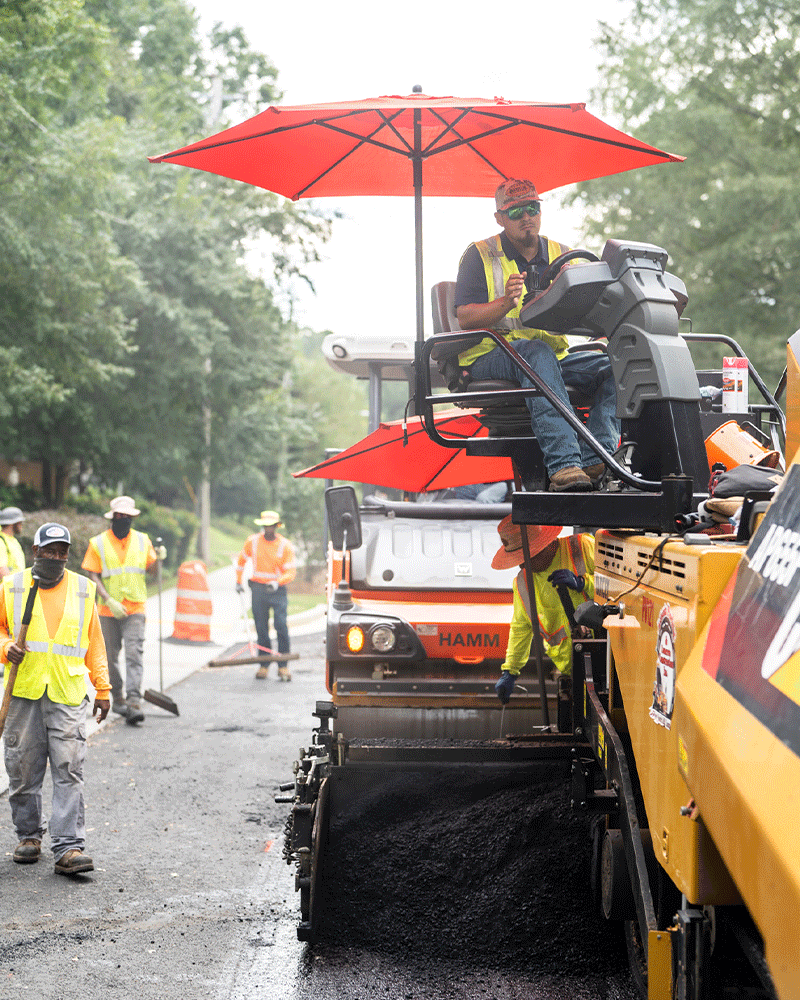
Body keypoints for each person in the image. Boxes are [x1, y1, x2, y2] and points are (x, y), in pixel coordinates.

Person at [454, 178, 620, 492]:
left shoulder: (564, 255)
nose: (526, 216)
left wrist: (573, 300)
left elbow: (581, 318)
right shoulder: (479, 255)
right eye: (516, 211)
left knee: (619, 367)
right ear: (500, 218)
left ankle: (597, 455)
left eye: (532, 208)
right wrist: (505, 302)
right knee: (535, 353)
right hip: (490, 354)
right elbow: (464, 317)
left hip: (551, 358)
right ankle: (564, 464)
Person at [1, 522, 110, 875]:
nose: (56, 557)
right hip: (23, 692)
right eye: (49, 551)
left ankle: (68, 848)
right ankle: (29, 837)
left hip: (66, 692)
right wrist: (6, 647)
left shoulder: (82, 589)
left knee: (68, 768)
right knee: (22, 768)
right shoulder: (11, 587)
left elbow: (94, 641)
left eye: (61, 552)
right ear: (36, 552)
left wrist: (103, 688)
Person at [491, 515, 595, 704]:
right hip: (572, 671)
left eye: (525, 558)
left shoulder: (582, 547)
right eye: (518, 560)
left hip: (607, 660)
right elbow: (521, 627)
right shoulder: (523, 582)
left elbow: (622, 590)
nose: (522, 565)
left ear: (546, 545)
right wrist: (510, 671)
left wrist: (583, 583)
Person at [81, 496, 163, 725]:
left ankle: (134, 701)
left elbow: (153, 571)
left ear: (132, 518)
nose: (123, 520)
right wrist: (107, 599)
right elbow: (93, 573)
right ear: (113, 517)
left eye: (127, 517)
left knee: (134, 653)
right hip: (108, 610)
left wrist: (159, 558)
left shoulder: (143, 540)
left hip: (135, 606)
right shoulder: (97, 543)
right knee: (109, 657)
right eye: (119, 516)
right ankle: (118, 697)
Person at [235, 511, 296, 681]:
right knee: (261, 627)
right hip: (258, 589)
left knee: (280, 625)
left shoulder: (285, 545)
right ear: (262, 526)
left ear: (276, 526)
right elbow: (241, 561)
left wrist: (277, 582)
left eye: (271, 526)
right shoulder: (253, 541)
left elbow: (290, 571)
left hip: (277, 590)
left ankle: (283, 665)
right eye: (265, 525)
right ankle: (264, 664)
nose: (268, 529)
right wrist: (238, 582)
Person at [0, 507, 27, 578]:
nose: (22, 525)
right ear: (12, 523)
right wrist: (13, 586)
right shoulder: (1, 541)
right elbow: (2, 570)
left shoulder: (13, 540)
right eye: (20, 522)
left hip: (17, 586)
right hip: (7, 587)